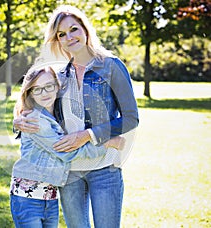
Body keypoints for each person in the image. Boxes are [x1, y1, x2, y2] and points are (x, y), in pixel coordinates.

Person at [13, 5, 139, 228]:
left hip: (105, 168)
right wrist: (18, 122)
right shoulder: (60, 75)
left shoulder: (111, 66)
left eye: (74, 29)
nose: (69, 37)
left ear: (85, 30)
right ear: (58, 40)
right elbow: (39, 106)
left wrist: (88, 135)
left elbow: (131, 118)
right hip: (69, 173)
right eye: (62, 34)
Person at [10, 66, 125, 228]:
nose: (44, 93)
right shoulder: (36, 121)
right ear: (29, 92)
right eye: (37, 89)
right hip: (28, 198)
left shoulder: (56, 113)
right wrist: (106, 143)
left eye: (49, 86)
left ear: (58, 87)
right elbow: (65, 153)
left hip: (49, 197)